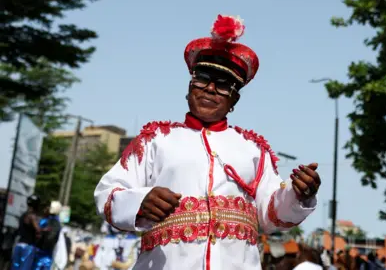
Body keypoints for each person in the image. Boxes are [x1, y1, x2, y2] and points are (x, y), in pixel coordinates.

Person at [94, 14, 321, 270]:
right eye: (202, 79)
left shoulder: (254, 150)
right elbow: (108, 193)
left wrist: (298, 194)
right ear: (190, 87)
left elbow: (270, 215)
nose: (210, 89)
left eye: (223, 85)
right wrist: (139, 202)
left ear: (234, 100)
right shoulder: (155, 140)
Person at [11, 195, 41, 270]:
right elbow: (38, 229)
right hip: (28, 247)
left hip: (18, 245)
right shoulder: (32, 216)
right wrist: (44, 230)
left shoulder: (23, 215)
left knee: (15, 267)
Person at [34, 201, 63, 270]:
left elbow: (50, 238)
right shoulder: (49, 220)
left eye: (49, 207)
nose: (47, 208)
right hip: (41, 252)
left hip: (44, 254)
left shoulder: (54, 222)